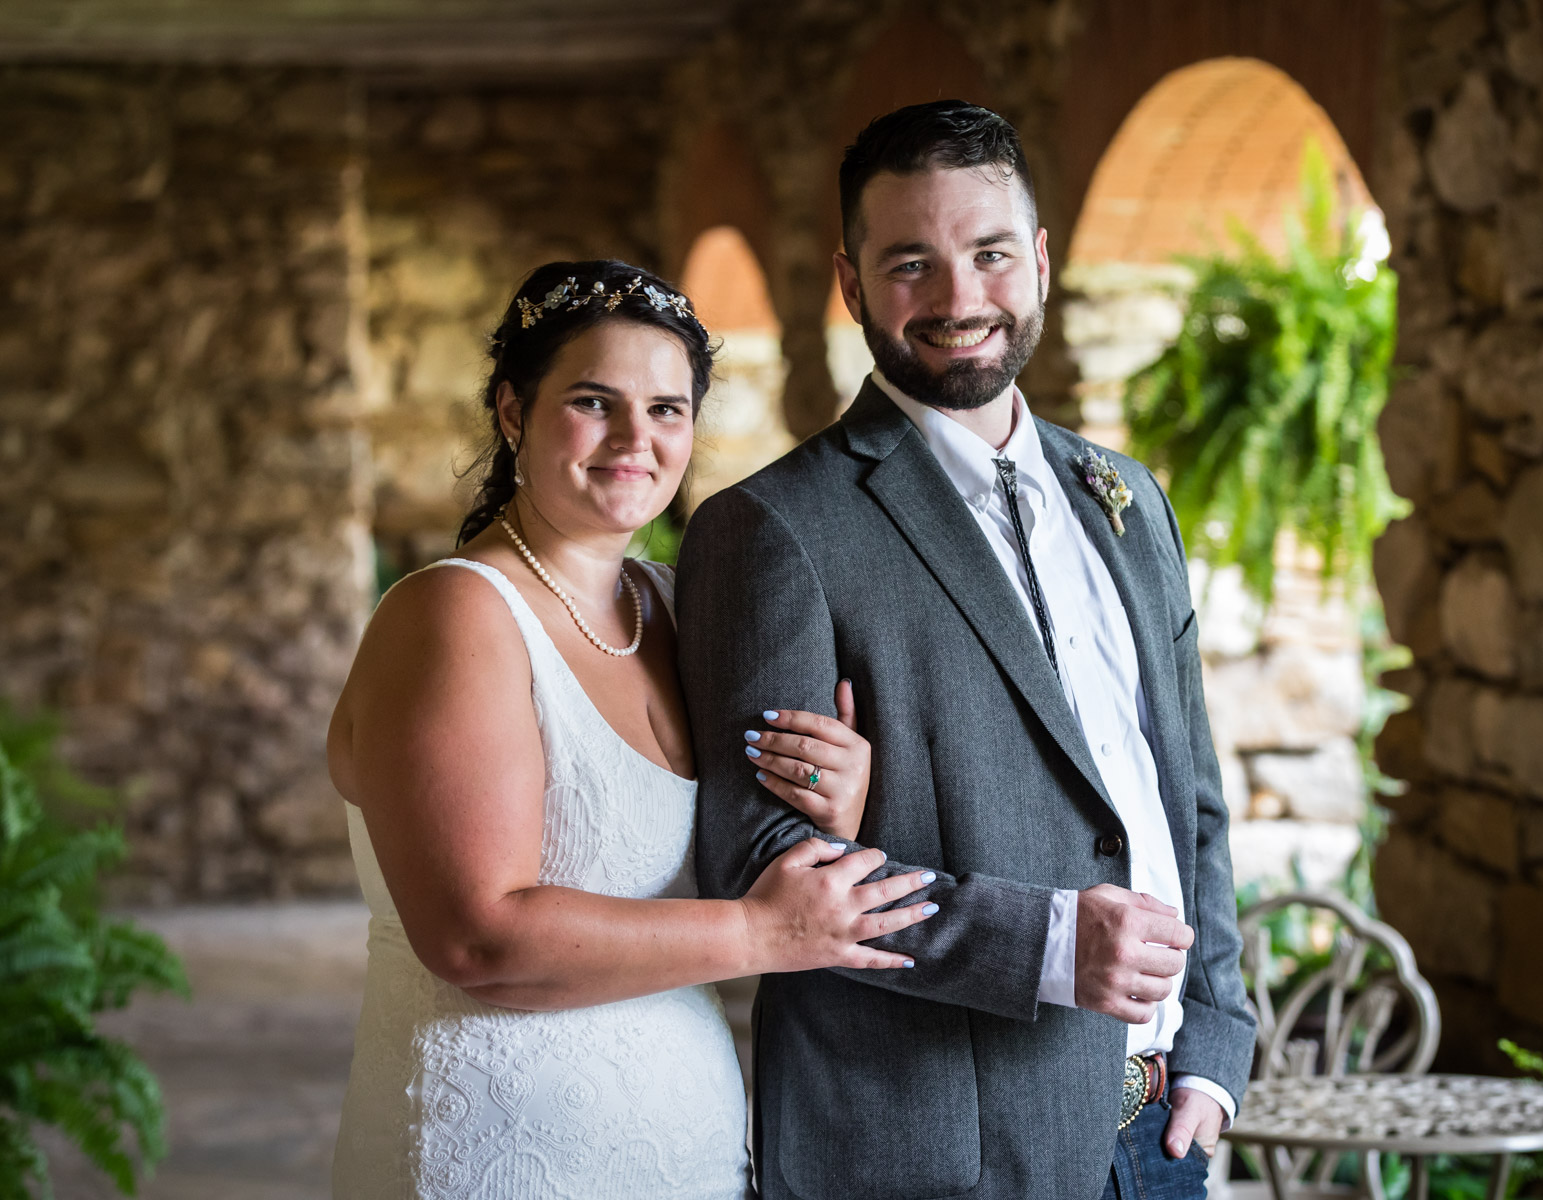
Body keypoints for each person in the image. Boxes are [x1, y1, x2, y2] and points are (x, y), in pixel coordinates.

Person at [680, 102, 1255, 1200]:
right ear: (851, 284)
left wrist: (1218, 1048)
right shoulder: (773, 531)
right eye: (912, 265)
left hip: (1165, 1137)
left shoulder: (1129, 499)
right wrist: (1045, 943)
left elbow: (1189, 796)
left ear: (1037, 260)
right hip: (936, 1153)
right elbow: (761, 867)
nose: (958, 300)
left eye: (989, 254)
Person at [326, 259, 938, 1200]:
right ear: (510, 413)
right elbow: (476, 938)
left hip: (682, 1149)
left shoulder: (673, 606)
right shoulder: (455, 616)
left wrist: (835, 803)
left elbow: (742, 854)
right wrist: (760, 934)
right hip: (494, 1155)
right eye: (592, 401)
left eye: (666, 410)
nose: (634, 439)